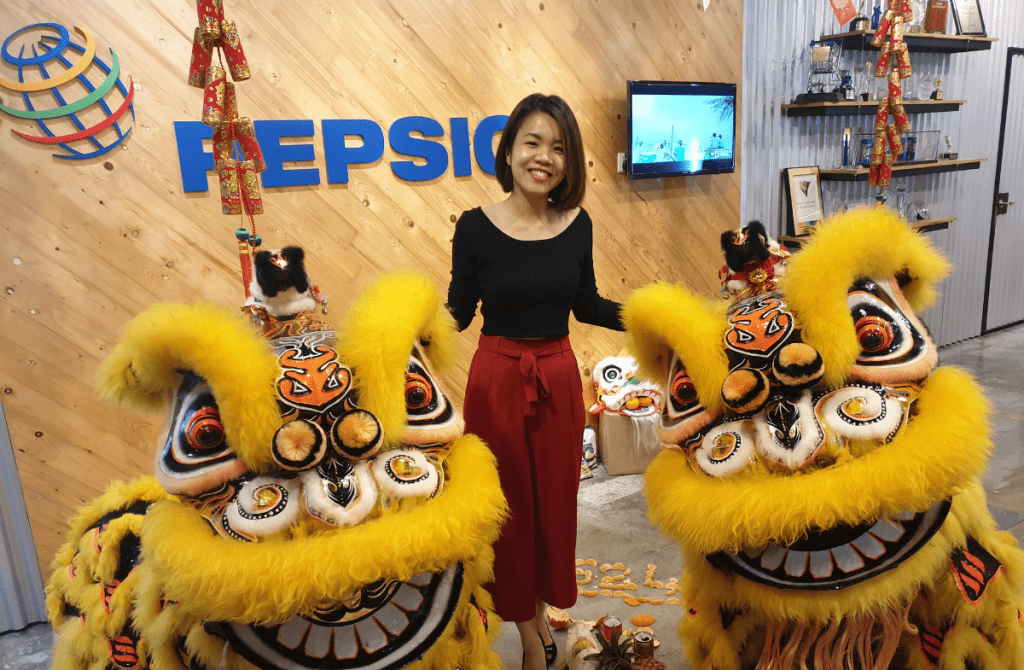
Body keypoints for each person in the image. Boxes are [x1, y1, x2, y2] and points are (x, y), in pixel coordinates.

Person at [447, 93, 624, 670]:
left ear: (569, 162)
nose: (543, 157)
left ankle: (542, 622)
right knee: (507, 512)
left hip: (558, 377)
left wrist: (655, 318)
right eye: (532, 142)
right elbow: (458, 310)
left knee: (553, 509)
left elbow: (588, 304)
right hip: (496, 379)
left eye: (558, 147)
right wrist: (406, 334)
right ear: (509, 151)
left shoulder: (578, 224)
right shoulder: (475, 227)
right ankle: (532, 637)